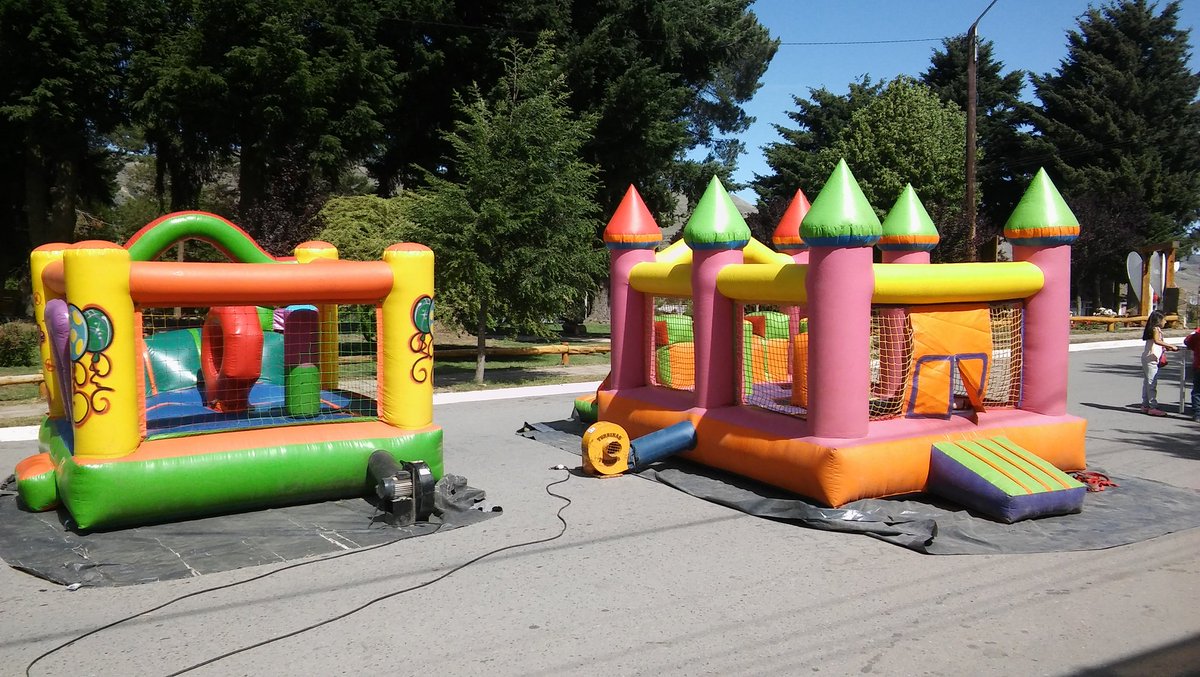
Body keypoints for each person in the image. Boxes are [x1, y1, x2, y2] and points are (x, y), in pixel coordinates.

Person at [1140, 310, 1179, 416]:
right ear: (1159, 320)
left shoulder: (1153, 329)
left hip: (1149, 358)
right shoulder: (1155, 329)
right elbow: (1157, 341)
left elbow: (1156, 344)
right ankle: (1152, 406)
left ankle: (1145, 405)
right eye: (1164, 319)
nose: (1165, 322)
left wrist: (1166, 348)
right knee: (1151, 383)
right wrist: (1170, 345)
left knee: (1147, 382)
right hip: (1151, 358)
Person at [1184, 324, 1200, 422]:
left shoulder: (1197, 335)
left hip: (1198, 366)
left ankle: (1198, 413)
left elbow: (1187, 341)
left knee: (1197, 391)